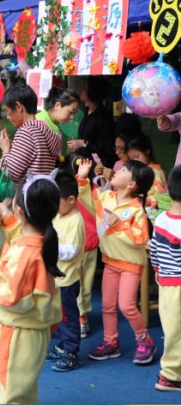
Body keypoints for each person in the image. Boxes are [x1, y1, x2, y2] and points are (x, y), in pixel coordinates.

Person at [0, 173, 63, 404]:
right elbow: (21, 244)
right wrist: (11, 220)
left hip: (16, 335)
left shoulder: (27, 253)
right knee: (23, 394)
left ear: (20, 211)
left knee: (8, 396)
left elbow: (13, 297)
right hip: (32, 332)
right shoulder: (41, 244)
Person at [77, 158, 156, 364]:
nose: (117, 172)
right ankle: (110, 343)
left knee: (127, 306)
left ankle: (145, 340)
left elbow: (140, 239)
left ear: (131, 184)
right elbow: (86, 198)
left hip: (130, 265)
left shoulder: (137, 209)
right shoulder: (106, 197)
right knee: (107, 306)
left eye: (123, 171)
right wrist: (82, 178)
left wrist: (118, 225)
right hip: (110, 262)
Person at [46, 171, 85, 372]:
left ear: (70, 199)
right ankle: (61, 346)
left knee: (68, 317)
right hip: (56, 278)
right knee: (58, 316)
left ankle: (70, 352)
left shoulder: (75, 221)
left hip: (67, 280)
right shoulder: (59, 215)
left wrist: (49, 247)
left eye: (56, 201)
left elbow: (72, 251)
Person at [61, 151, 99, 339]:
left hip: (83, 245)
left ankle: (81, 315)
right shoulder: (92, 189)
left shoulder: (80, 191)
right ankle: (80, 315)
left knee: (80, 284)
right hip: (83, 245)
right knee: (81, 284)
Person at [150, 165, 181, 392]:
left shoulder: (161, 219)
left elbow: (155, 250)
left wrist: (157, 270)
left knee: (173, 331)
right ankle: (171, 376)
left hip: (167, 284)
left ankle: (170, 374)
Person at [0, 83, 62, 185]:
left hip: (27, 191)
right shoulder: (44, 129)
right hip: (43, 189)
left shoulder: (27, 132)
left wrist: (5, 150)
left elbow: (11, 172)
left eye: (7, 110)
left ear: (18, 107)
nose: (7, 117)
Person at [67, 77, 117, 169]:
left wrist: (84, 143)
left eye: (85, 88)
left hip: (98, 166)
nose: (81, 90)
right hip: (84, 161)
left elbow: (108, 146)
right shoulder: (87, 111)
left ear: (93, 91)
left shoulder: (103, 116)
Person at [126, 133, 168, 202]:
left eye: (137, 156)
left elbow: (159, 195)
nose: (135, 161)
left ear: (147, 151)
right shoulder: (145, 170)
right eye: (132, 159)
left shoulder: (155, 172)